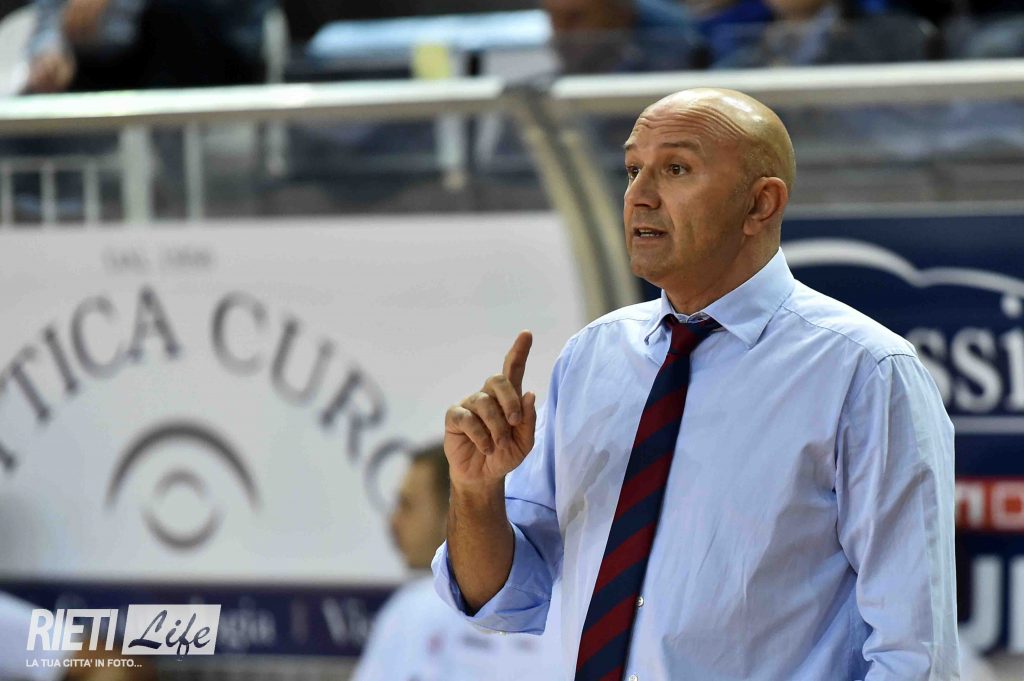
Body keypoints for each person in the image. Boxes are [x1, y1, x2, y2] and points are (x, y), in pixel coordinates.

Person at [433, 88, 959, 680]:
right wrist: (476, 491)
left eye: (676, 169)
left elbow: (915, 655)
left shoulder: (865, 372)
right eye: (633, 169)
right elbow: (501, 600)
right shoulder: (591, 357)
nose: (639, 195)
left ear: (760, 204)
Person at [352, 444, 560, 681]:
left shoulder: (414, 609)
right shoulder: (566, 604)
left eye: (407, 505)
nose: (394, 521)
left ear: (454, 508)